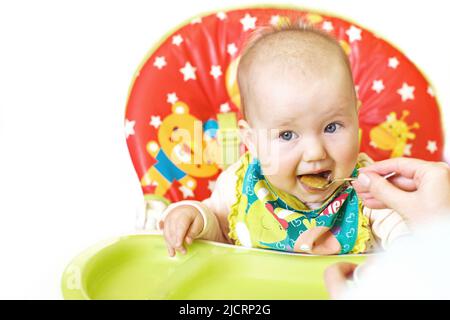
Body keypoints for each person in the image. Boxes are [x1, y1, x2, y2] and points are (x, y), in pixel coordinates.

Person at [158, 22, 409, 257]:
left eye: (332, 127)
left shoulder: (369, 188)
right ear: (253, 142)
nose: (314, 152)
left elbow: (407, 235)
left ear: (355, 116)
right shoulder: (239, 185)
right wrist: (193, 218)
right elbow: (218, 233)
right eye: (287, 135)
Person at [324, 157, 450, 299]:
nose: (314, 152)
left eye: (331, 132)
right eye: (291, 135)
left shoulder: (365, 198)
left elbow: (402, 233)